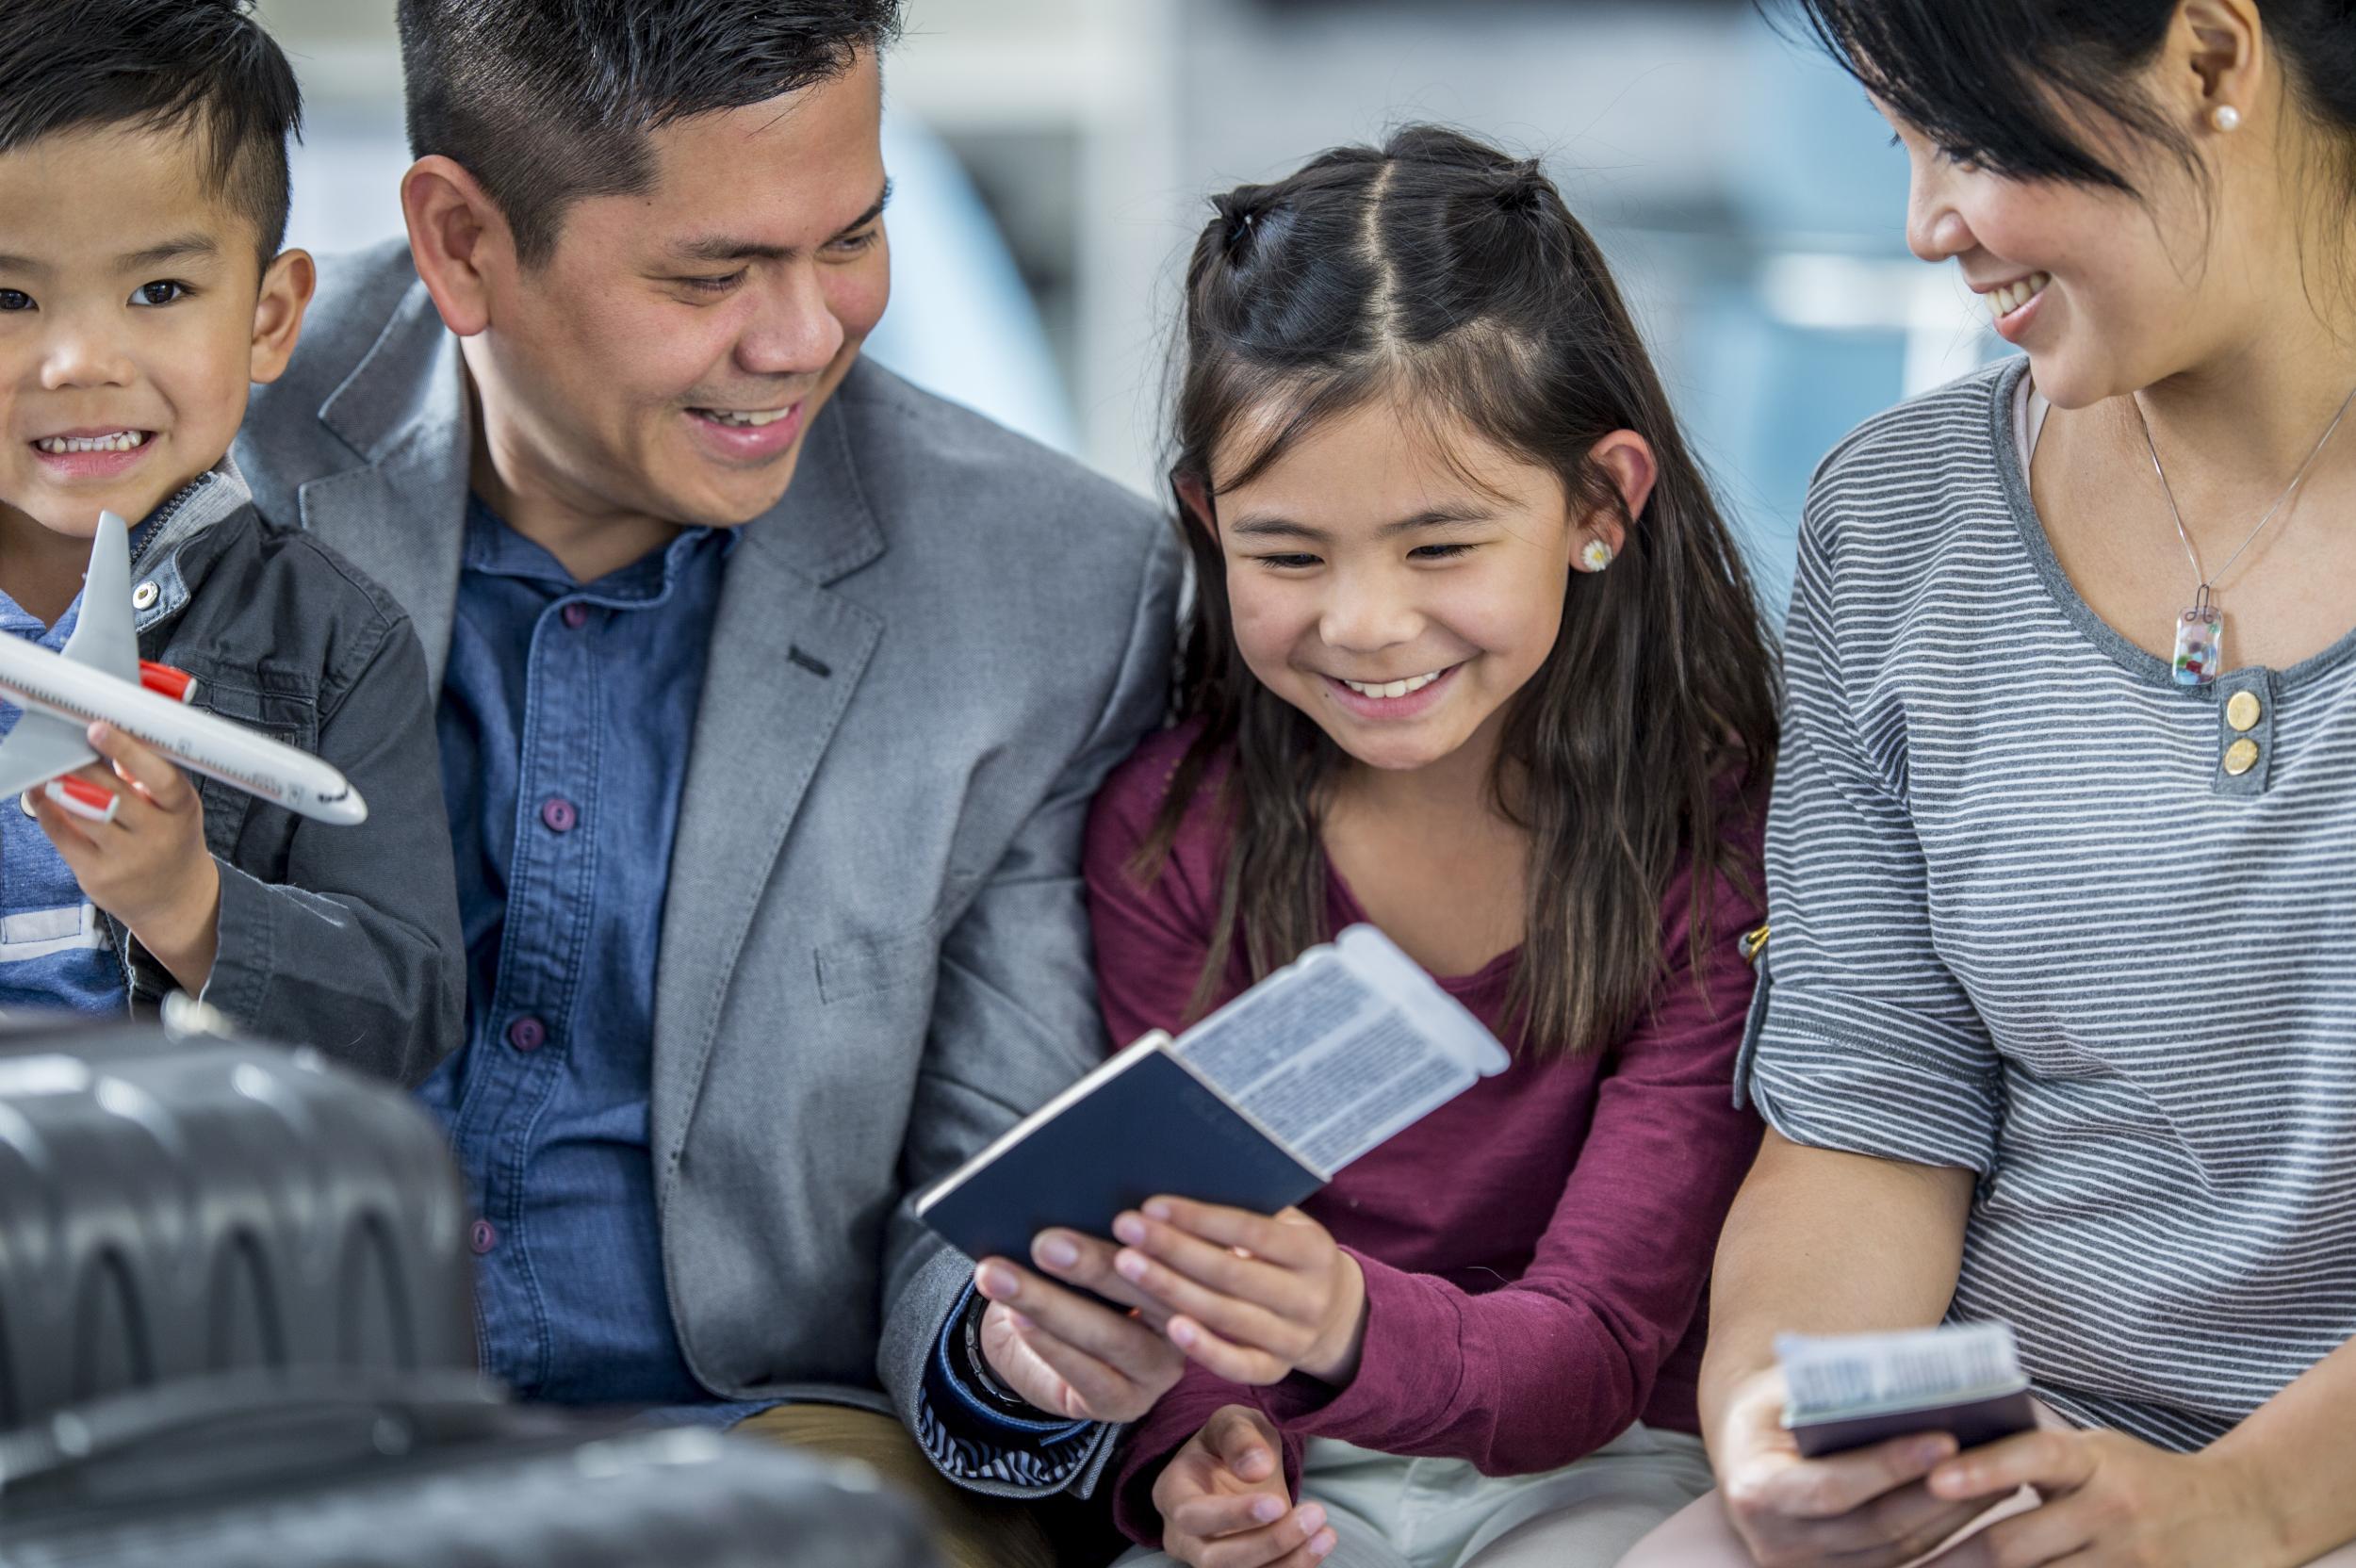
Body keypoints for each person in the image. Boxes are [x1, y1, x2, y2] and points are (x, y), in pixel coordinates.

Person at [229, 4, 1181, 1564]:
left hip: (762, 1450)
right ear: (462, 240)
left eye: (854, 237)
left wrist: (1019, 1350)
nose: (804, 333)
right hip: (258, 1438)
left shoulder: (1057, 595)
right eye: (713, 273)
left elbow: (992, 1172)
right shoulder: (188, 457)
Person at [1619, 2, 2356, 1565]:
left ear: (2211, 60)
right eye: (1899, 142)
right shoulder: (1896, 522)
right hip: (2026, 1480)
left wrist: (2240, 1505)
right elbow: (1868, 1113)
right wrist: (1781, 1422)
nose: (1924, 225)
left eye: (1961, 138)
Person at [999, 125, 1777, 1568]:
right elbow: (1184, 1264)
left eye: (1439, 548)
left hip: (1606, 1470)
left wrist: (1343, 1316)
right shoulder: (1176, 832)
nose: (1362, 624)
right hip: (1311, 1471)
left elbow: (1598, 1344)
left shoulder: (1713, 845)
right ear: (1207, 523)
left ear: (1600, 505)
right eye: (1288, 556)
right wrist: (1203, 1458)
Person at [0, 0, 461, 1080]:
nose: (79, 362)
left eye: (159, 290)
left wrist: (187, 903)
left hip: (164, 1206)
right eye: (6, 295)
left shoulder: (333, 642)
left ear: (268, 318)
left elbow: (410, 1012)